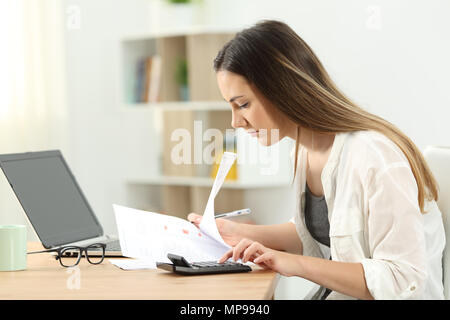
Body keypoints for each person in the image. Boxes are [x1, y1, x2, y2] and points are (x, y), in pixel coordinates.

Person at [187, 20, 445, 300]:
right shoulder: (302, 150)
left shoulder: (374, 156)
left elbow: (402, 278)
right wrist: (235, 232)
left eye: (243, 104)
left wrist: (293, 264)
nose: (236, 122)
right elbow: (320, 229)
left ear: (281, 88)